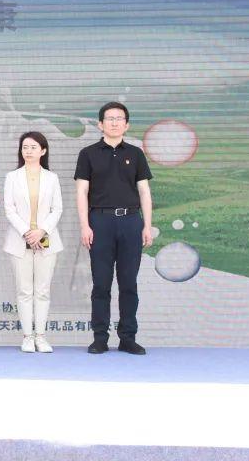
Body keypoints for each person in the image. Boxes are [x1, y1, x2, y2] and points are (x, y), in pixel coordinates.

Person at [75, 101, 153, 355]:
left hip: (131, 221)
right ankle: (100, 338)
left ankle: (128, 337)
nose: (115, 122)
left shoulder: (136, 153)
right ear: (100, 124)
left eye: (120, 118)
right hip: (100, 222)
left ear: (126, 125)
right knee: (101, 283)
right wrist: (85, 225)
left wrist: (147, 225)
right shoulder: (88, 153)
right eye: (110, 118)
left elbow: (144, 191)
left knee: (129, 283)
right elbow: (81, 192)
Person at [2, 132, 64, 353]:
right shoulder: (12, 177)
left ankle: (41, 336)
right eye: (25, 147)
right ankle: (27, 337)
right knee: (24, 291)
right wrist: (28, 232)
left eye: (33, 147)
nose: (28, 151)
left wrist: (41, 231)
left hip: (47, 239)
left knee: (43, 291)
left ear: (43, 151)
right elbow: (9, 209)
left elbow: (57, 209)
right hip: (20, 240)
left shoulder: (52, 178)